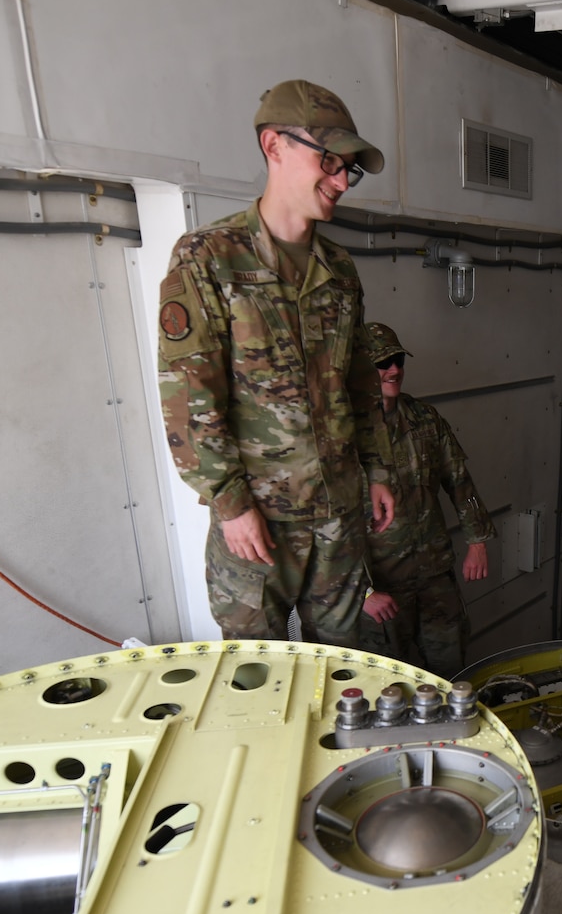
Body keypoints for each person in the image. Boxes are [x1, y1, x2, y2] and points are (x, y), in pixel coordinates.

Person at [154, 80, 396, 645]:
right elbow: (190, 398)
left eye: (349, 169)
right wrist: (231, 503)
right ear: (274, 145)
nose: (340, 181)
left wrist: (378, 470)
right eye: (330, 161)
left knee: (338, 666)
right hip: (258, 520)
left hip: (338, 512)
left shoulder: (338, 269)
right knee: (257, 671)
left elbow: (360, 382)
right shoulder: (209, 257)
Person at [357, 323, 497, 675]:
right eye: (382, 362)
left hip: (434, 574)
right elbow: (331, 525)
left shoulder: (425, 419)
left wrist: (477, 541)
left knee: (449, 672)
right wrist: (361, 592)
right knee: (384, 681)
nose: (394, 370)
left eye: (399, 359)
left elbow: (459, 480)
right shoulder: (345, 433)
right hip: (382, 586)